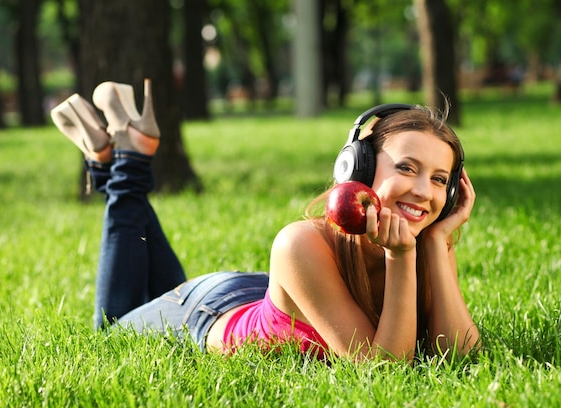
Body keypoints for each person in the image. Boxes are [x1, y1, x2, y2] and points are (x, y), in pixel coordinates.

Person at [50, 79, 479, 363]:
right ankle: (125, 168)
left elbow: (459, 354)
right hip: (205, 311)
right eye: (406, 168)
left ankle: (117, 157)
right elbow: (387, 369)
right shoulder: (300, 244)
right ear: (358, 170)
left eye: (440, 179)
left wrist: (438, 242)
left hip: (268, 291)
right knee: (108, 333)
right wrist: (400, 258)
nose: (424, 190)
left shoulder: (427, 242)